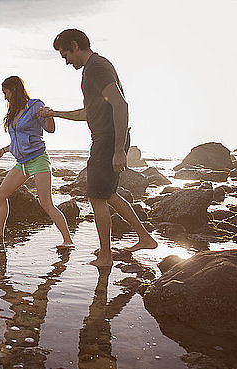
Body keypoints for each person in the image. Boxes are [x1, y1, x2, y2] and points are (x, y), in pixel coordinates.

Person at [39, 29, 157, 267]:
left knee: (96, 197)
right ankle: (145, 238)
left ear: (74, 45)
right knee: (108, 195)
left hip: (107, 140)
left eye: (65, 55)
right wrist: (56, 114)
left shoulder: (96, 67)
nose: (66, 61)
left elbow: (120, 105)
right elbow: (87, 113)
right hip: (106, 139)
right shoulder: (94, 69)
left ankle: (106, 256)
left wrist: (118, 149)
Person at [0, 76, 74, 249]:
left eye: (5, 92)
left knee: (45, 202)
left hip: (38, 159)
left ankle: (68, 240)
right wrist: (4, 150)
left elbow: (50, 129)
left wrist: (50, 115)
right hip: (21, 163)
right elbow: (18, 140)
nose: (5, 97)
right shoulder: (13, 112)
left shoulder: (35, 106)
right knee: (1, 193)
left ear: (13, 89)